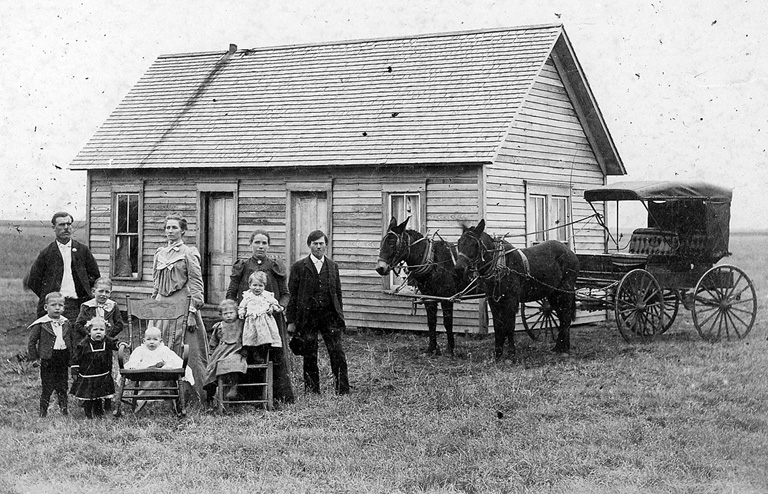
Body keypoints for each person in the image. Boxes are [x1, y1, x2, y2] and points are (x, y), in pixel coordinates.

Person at [226, 230, 295, 404]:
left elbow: (285, 294)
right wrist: (234, 312)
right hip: (247, 321)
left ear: (268, 246)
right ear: (250, 244)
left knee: (273, 355)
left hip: (271, 320)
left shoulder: (274, 266)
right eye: (257, 242)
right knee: (247, 354)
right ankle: (248, 396)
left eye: (264, 243)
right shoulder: (243, 266)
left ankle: (278, 396)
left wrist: (279, 307)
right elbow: (231, 293)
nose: (260, 246)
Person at [151, 213, 208, 402]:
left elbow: (196, 284)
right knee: (159, 347)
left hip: (183, 304)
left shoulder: (189, 252)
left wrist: (192, 311)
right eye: (167, 227)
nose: (170, 231)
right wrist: (154, 304)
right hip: (162, 307)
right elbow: (155, 283)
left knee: (188, 351)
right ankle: (160, 394)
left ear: (183, 230)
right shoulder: (159, 253)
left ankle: (192, 395)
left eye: (174, 227)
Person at [286, 230, 350, 395]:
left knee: (337, 353)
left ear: (326, 245)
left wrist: (340, 317)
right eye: (315, 243)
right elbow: (292, 296)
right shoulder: (299, 267)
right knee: (309, 354)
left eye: (321, 243)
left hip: (329, 317)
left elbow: (338, 294)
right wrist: (291, 321)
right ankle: (312, 390)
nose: (318, 247)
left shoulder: (332, 266)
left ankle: (342, 389)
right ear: (309, 245)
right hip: (308, 317)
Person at [25, 211, 101, 322]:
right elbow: (33, 281)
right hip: (55, 307)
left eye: (69, 224)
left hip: (78, 306)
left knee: (78, 337)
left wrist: (86, 293)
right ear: (54, 228)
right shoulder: (46, 253)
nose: (66, 228)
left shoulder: (82, 250)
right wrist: (48, 295)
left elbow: (95, 276)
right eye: (61, 225)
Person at [27, 292, 73, 417]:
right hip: (48, 358)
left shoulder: (66, 323)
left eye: (60, 305)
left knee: (63, 385)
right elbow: (32, 342)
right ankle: (43, 412)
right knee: (47, 386)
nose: (57, 308)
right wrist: (35, 358)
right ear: (46, 307)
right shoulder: (41, 324)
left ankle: (64, 410)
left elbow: (71, 340)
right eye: (53, 305)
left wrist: (72, 358)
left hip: (62, 357)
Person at [69, 317, 119, 419]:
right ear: (89, 331)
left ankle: (99, 413)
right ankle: (88, 414)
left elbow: (115, 344)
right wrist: (74, 369)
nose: (98, 332)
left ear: (105, 332)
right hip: (88, 375)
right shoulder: (84, 344)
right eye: (95, 330)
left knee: (100, 395)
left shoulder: (107, 341)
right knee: (89, 397)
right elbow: (76, 358)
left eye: (101, 330)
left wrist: (120, 344)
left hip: (103, 374)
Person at [203, 300, 247, 401]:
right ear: (221, 315)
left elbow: (246, 338)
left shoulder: (241, 324)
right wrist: (211, 352)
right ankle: (210, 395)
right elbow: (213, 341)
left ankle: (233, 386)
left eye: (231, 313)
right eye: (225, 314)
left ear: (237, 312)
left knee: (234, 362)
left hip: (236, 350)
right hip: (221, 351)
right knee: (212, 367)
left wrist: (245, 349)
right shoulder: (219, 326)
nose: (228, 316)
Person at [238, 271, 283, 364]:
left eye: (260, 286)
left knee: (266, 338)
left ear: (264, 286)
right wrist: (241, 312)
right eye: (254, 285)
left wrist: (273, 308)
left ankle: (270, 355)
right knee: (252, 338)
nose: (257, 288)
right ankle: (255, 354)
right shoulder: (247, 296)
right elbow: (242, 306)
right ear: (249, 285)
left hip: (264, 322)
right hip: (252, 322)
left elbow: (274, 304)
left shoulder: (267, 295)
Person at [124, 327, 195, 384]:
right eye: (148, 339)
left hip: (161, 371)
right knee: (137, 365)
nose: (151, 342)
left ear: (160, 341)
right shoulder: (140, 349)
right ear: (144, 341)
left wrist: (169, 365)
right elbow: (134, 359)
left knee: (168, 363)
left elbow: (172, 359)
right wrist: (132, 366)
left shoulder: (163, 349)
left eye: (155, 339)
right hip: (143, 370)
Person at [74, 277, 124, 341]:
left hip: (106, 340)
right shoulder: (87, 306)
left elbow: (119, 325)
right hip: (89, 340)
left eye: (107, 292)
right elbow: (78, 325)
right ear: (93, 291)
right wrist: (89, 335)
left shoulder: (113, 305)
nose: (103, 294)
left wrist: (107, 335)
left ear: (110, 294)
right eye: (101, 291)